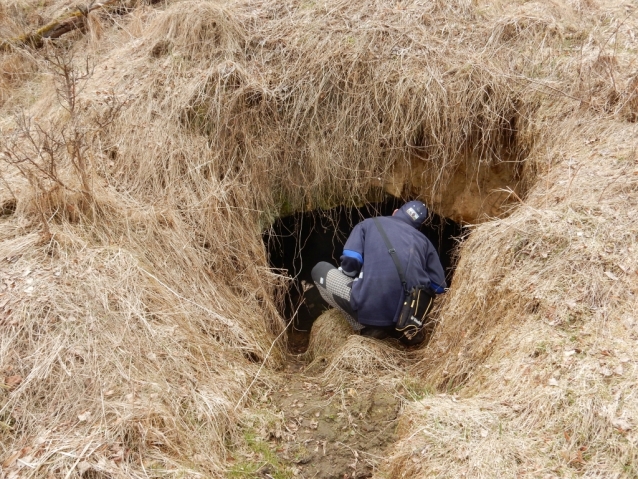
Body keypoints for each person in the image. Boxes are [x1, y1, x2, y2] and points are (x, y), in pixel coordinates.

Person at [311, 200, 446, 345]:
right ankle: (392, 330)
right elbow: (439, 286)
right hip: (406, 316)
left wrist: (354, 276)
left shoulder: (368, 224)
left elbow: (351, 260)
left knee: (319, 269)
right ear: (418, 227)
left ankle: (365, 326)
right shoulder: (425, 243)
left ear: (395, 212)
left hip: (370, 308)